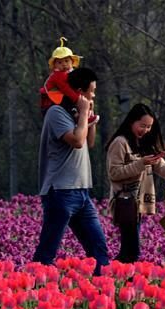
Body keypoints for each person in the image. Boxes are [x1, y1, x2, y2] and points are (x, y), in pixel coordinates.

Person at [32, 67, 110, 276]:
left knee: (99, 249)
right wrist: (84, 114)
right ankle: (32, 290)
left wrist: (89, 118)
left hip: (81, 192)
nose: (93, 95)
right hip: (60, 192)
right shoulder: (56, 112)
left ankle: (103, 293)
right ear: (79, 91)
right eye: (91, 91)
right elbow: (76, 141)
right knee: (47, 253)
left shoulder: (77, 114)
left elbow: (89, 142)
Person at [105, 103, 165, 263]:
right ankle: (115, 276)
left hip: (138, 203)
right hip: (125, 202)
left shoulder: (143, 142)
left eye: (149, 127)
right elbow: (114, 173)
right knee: (131, 251)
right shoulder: (120, 143)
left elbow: (161, 167)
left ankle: (117, 275)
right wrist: (141, 163)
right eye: (143, 125)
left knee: (129, 249)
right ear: (131, 122)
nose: (146, 130)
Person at [40, 37, 98, 125]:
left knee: (76, 98)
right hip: (52, 97)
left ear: (72, 62)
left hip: (61, 94)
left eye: (66, 61)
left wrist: (81, 94)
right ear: (55, 65)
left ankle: (86, 115)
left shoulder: (70, 73)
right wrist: (77, 99)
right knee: (68, 101)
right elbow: (66, 89)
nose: (64, 64)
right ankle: (77, 117)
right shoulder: (58, 75)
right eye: (59, 62)